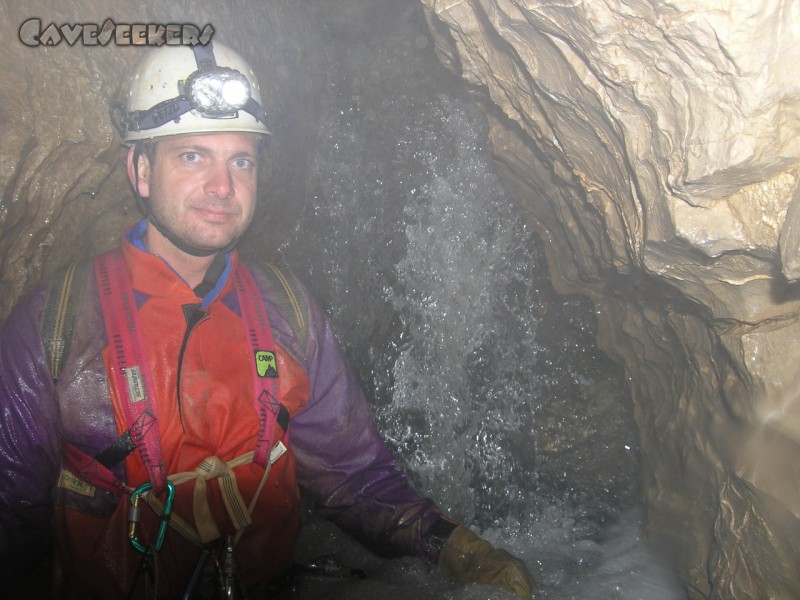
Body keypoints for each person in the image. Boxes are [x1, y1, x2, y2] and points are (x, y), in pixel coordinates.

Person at [0, 40, 535, 599]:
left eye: (241, 161)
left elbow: (353, 476)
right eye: (192, 156)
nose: (222, 186)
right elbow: (9, 516)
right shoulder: (57, 323)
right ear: (139, 170)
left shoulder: (287, 309)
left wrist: (454, 547)